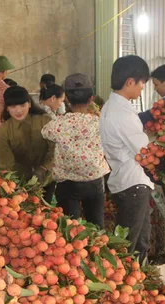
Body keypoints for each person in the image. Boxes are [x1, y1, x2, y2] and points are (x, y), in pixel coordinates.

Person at [99, 55, 154, 260]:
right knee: (127, 248)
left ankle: (138, 286)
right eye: (141, 84)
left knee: (139, 243)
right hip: (133, 185)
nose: (142, 89)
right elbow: (144, 152)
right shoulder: (121, 112)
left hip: (128, 183)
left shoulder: (112, 107)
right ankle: (123, 287)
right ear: (130, 82)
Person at [41, 73, 110, 228]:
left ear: (66, 99)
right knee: (97, 227)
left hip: (68, 183)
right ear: (91, 98)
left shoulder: (58, 124)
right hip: (94, 181)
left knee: (71, 229)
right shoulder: (99, 122)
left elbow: (45, 133)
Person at [0, 86, 56, 203]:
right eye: (13, 107)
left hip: (47, 178)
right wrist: (13, 187)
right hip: (20, 185)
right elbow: (6, 164)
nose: (18, 111)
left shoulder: (45, 121)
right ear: (7, 109)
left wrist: (44, 168)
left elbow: (56, 148)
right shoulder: (3, 131)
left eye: (22, 105)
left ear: (29, 104)